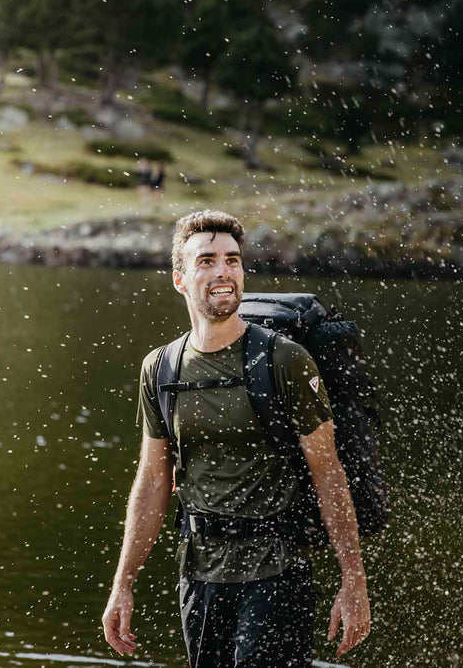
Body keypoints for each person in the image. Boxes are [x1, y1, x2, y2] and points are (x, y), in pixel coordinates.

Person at [102, 210, 371, 666]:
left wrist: (354, 581)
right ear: (180, 279)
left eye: (232, 260)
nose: (224, 272)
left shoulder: (283, 360)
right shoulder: (161, 369)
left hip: (278, 573)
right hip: (201, 576)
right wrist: (123, 582)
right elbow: (151, 481)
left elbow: (328, 474)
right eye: (206, 261)